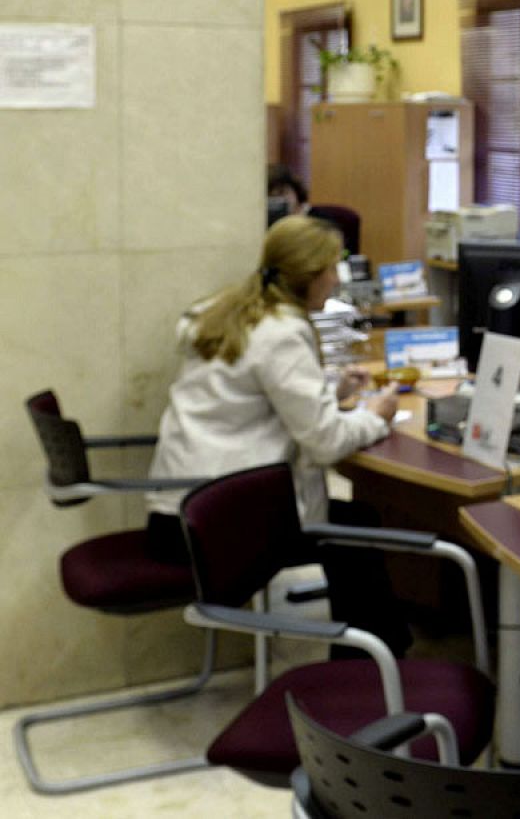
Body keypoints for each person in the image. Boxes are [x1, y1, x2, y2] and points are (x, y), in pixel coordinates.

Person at [145, 214, 410, 656]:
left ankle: (372, 657)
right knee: (356, 529)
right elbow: (325, 442)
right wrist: (378, 416)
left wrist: (329, 389)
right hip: (219, 528)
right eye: (331, 269)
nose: (335, 279)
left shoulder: (230, 313)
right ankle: (368, 666)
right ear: (311, 276)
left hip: (179, 514)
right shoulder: (283, 333)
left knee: (353, 523)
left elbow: (253, 397)